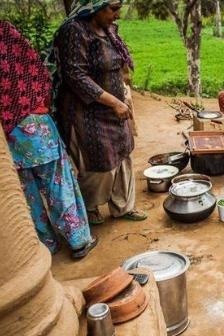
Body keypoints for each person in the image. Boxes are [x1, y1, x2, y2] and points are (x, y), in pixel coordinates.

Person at [0, 0, 97, 258]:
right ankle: (78, 240)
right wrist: (39, 101)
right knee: (57, 183)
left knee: (27, 193)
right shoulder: (3, 34)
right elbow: (38, 69)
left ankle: (45, 244)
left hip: (1, 133)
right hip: (35, 125)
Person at [49, 0, 147, 224]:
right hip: (88, 111)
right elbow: (76, 76)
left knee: (123, 154)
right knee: (99, 160)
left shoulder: (108, 29)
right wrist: (113, 102)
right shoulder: (74, 31)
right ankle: (90, 206)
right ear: (93, 6)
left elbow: (117, 64)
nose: (117, 14)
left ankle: (123, 206)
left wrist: (122, 94)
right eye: (112, 9)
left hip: (116, 108)